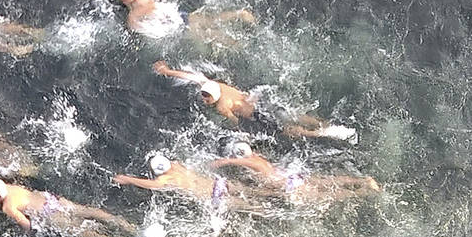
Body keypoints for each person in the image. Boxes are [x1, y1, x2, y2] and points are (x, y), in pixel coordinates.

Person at [151, 61, 355, 142]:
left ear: (214, 97)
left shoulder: (222, 106)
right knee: (292, 114)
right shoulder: (215, 84)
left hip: (259, 115)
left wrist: (240, 134)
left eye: (206, 97)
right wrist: (168, 71)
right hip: (261, 101)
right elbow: (192, 77)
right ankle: (323, 123)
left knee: (286, 130)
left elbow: (234, 122)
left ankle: (321, 132)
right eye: (204, 95)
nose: (204, 99)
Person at [0, 168, 137, 237]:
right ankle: (123, 223)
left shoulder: (8, 206)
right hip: (53, 200)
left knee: (86, 233)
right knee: (89, 212)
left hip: (47, 214)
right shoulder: (8, 185)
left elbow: (27, 225)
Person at [206, 142, 380, 205]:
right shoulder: (258, 157)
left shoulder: (250, 162)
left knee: (327, 196)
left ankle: (362, 192)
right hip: (291, 178)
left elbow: (240, 161)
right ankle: (363, 181)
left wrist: (223, 162)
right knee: (327, 182)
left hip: (289, 187)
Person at [112, 0, 258, 42]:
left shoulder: (133, 14)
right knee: (209, 21)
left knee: (207, 35)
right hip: (178, 14)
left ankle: (236, 44)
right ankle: (239, 14)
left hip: (175, 25)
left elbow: (145, 30)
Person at [111, 153, 269, 213]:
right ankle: (276, 194)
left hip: (214, 196)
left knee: (252, 208)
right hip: (219, 183)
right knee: (253, 192)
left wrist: (127, 179)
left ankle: (267, 210)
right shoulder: (176, 165)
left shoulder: (165, 179)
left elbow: (152, 185)